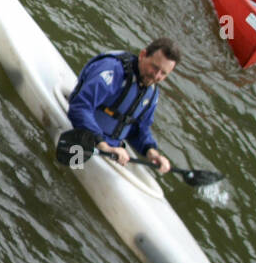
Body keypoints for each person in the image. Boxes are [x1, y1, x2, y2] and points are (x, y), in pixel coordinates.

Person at [66, 38, 181, 174]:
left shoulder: (152, 93)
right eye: (154, 67)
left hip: (111, 150)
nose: (156, 76)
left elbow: (138, 129)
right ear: (143, 55)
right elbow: (80, 107)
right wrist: (103, 145)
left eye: (163, 73)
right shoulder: (112, 69)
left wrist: (152, 152)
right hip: (84, 137)